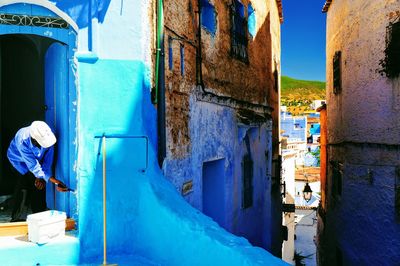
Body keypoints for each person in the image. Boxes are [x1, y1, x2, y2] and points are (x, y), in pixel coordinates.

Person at [7, 121, 68, 222]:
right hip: (19, 162)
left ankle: (39, 218)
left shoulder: (47, 136)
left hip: (36, 164)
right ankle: (18, 220)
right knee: (24, 187)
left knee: (39, 186)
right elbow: (32, 165)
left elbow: (47, 161)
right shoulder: (22, 138)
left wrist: (43, 178)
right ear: (35, 139)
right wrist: (55, 181)